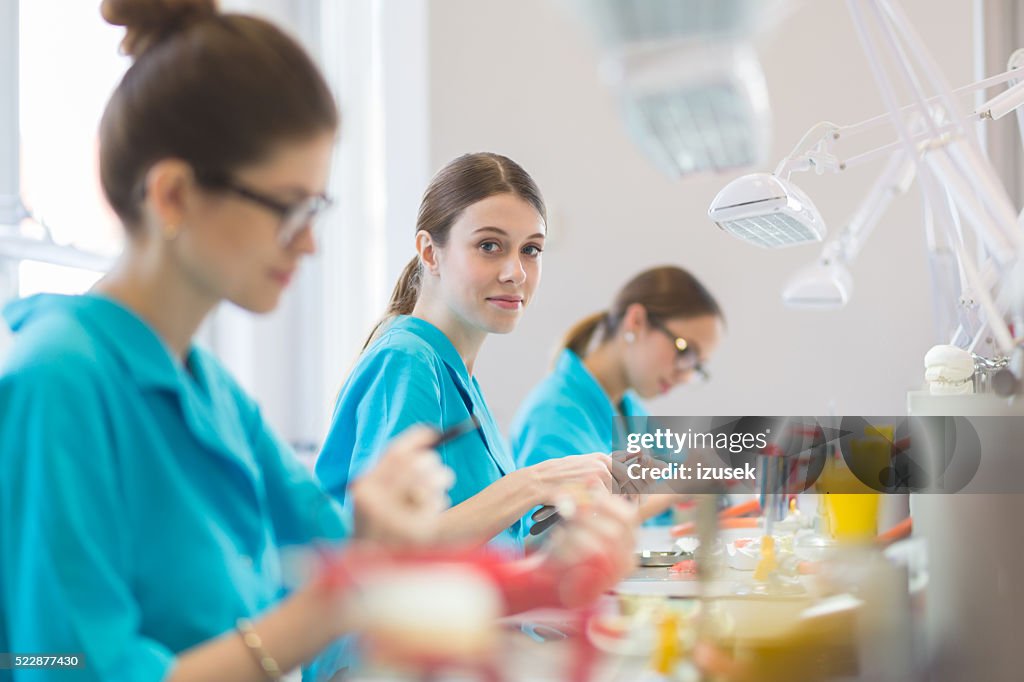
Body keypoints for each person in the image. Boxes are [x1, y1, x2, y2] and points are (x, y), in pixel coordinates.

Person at [316, 153, 616, 552]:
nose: (516, 273)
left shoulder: (457, 375)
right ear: (429, 251)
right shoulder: (406, 361)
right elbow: (388, 549)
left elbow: (482, 544)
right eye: (489, 245)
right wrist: (531, 484)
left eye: (531, 249)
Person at [510, 266, 725, 521]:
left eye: (696, 366)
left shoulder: (628, 409)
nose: (685, 374)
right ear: (635, 322)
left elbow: (682, 476)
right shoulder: (552, 414)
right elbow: (568, 535)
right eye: (685, 351)